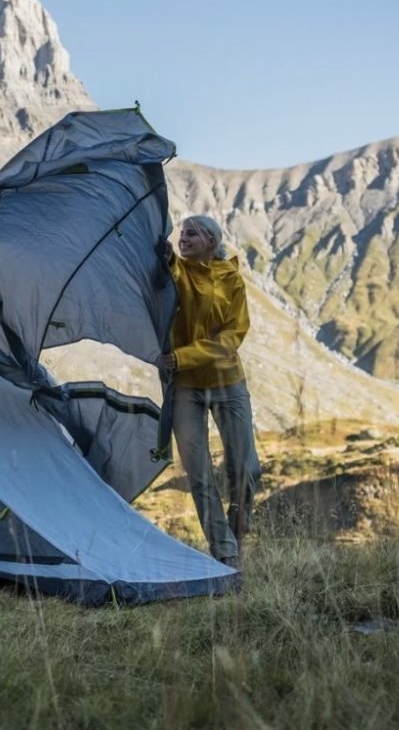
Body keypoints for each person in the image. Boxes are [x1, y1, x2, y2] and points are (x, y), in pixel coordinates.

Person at [157, 215, 260, 567]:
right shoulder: (177, 271)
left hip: (227, 382)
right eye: (182, 232)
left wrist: (182, 356)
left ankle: (236, 534)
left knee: (246, 469)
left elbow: (233, 336)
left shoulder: (232, 279)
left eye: (192, 233)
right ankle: (225, 554)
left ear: (212, 241)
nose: (184, 237)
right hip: (186, 388)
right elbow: (165, 277)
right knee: (199, 475)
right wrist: (166, 252)